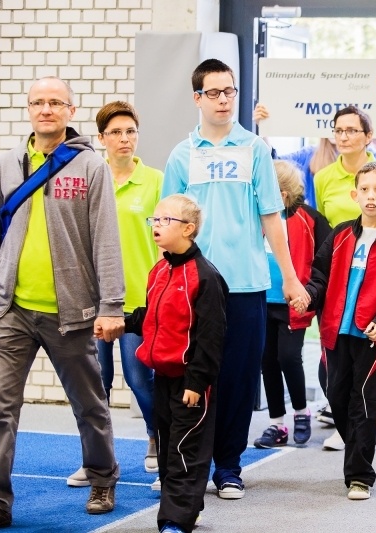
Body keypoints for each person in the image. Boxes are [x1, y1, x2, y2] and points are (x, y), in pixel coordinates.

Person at [0, 76, 123, 530]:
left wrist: (112, 305)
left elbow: (106, 241)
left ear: (71, 111)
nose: (46, 109)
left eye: (56, 102)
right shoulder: (7, 165)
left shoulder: (90, 166)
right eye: (38, 102)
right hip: (10, 308)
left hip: (70, 313)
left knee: (89, 403)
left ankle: (102, 475)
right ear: (29, 109)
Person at [161, 59, 308, 500]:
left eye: (230, 91)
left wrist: (290, 277)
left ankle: (228, 466)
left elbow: (271, 216)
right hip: (195, 286)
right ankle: (187, 464)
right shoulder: (181, 155)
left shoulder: (255, 150)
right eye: (214, 93)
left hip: (245, 285)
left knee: (239, 379)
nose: (224, 100)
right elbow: (168, 221)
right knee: (192, 378)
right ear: (197, 98)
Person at [294, 161, 376, 500]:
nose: (371, 197)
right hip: (334, 331)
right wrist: (308, 296)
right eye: (365, 190)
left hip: (369, 337)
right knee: (336, 396)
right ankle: (365, 440)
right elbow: (319, 275)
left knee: (362, 404)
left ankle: (360, 476)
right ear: (355, 194)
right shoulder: (339, 235)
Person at [67, 101, 161, 488]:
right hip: (93, 302)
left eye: (131, 132)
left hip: (140, 301)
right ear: (102, 139)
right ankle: (95, 460)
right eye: (116, 133)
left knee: (140, 381)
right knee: (95, 383)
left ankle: (159, 440)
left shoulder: (155, 181)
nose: (125, 139)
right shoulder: (89, 178)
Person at [123, 194, 228, 533]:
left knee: (186, 449)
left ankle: (175, 519)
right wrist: (122, 322)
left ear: (188, 229)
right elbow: (152, 318)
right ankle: (185, 509)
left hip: (190, 380)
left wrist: (196, 383)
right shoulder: (160, 270)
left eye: (164, 220)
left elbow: (211, 338)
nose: (156, 225)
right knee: (170, 448)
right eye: (154, 219)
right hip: (163, 376)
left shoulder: (205, 277)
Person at [312, 105, 376, 450]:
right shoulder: (323, 177)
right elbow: (321, 231)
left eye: (352, 130)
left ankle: (371, 422)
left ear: (369, 136)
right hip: (338, 283)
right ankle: (350, 425)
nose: (344, 136)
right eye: (339, 130)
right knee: (335, 365)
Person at [253, 161, 331, 449]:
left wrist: (309, 294)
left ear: (283, 194)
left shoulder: (310, 219)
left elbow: (325, 263)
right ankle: (276, 424)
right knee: (267, 361)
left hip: (293, 304)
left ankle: (301, 412)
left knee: (288, 357)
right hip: (260, 299)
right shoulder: (255, 217)